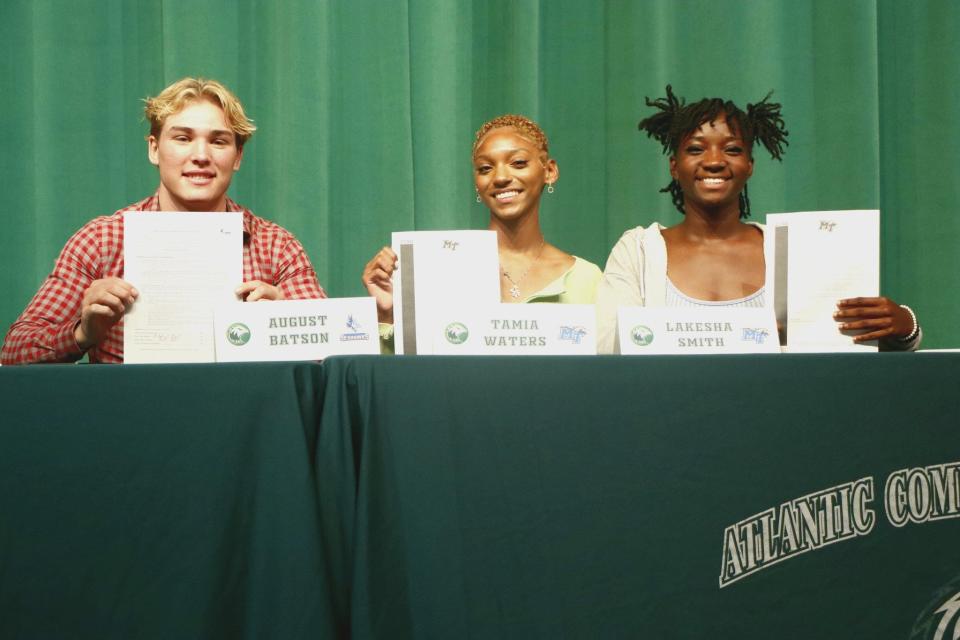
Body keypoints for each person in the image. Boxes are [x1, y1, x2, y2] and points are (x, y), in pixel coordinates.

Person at [1, 77, 325, 364]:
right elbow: (13, 353)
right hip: (131, 420)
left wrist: (288, 324)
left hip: (240, 419)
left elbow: (335, 351)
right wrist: (83, 333)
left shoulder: (276, 247)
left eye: (218, 141)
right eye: (182, 138)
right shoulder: (101, 240)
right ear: (154, 149)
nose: (201, 155)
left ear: (237, 157)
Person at [596, 85, 920, 353]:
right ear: (674, 166)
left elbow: (844, 341)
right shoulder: (637, 252)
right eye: (695, 149)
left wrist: (905, 327)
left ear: (750, 165)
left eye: (732, 150)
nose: (713, 161)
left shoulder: (792, 249)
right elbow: (607, 351)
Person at [362, 114, 602, 349]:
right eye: (485, 168)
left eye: (518, 163)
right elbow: (409, 374)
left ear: (549, 171)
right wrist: (387, 315)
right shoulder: (440, 268)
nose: (500, 177)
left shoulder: (587, 279)